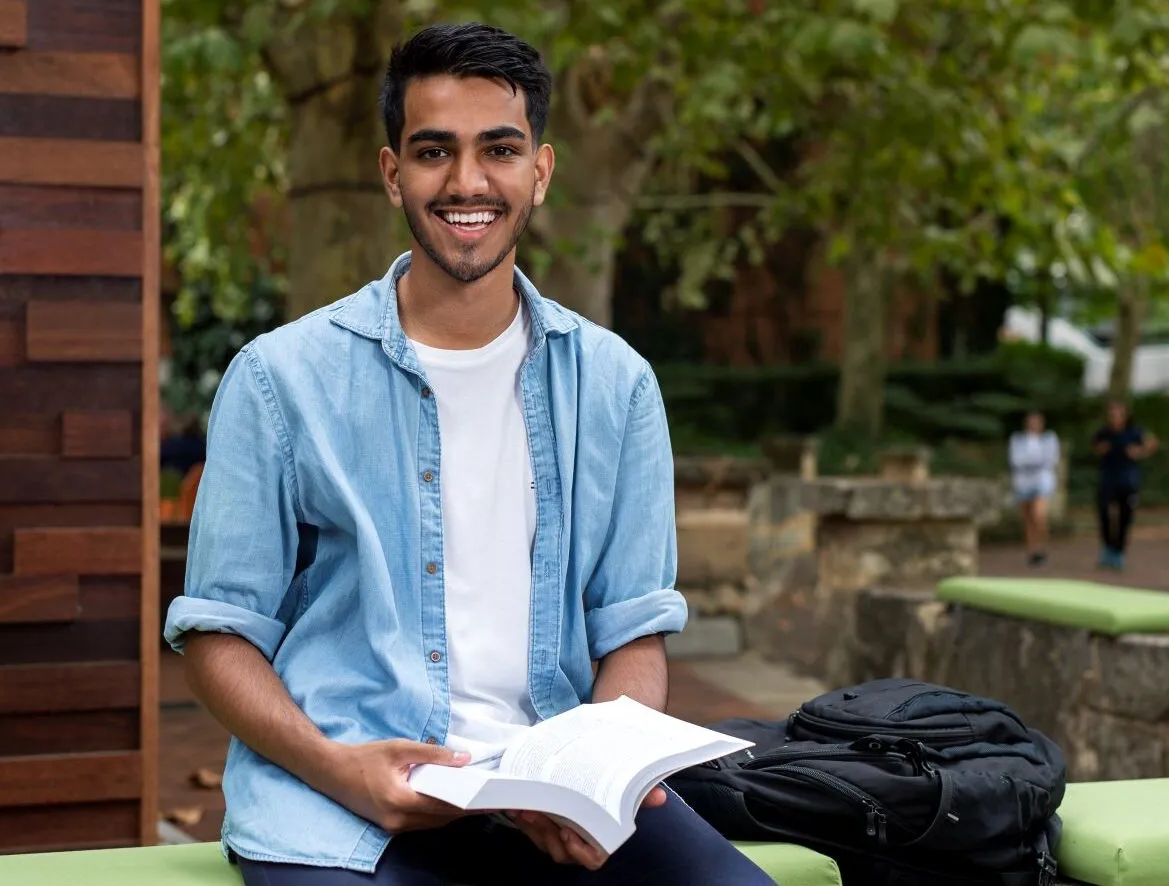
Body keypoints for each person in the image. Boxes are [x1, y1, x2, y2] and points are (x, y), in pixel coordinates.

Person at [162, 22, 778, 886]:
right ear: (392, 173)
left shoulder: (616, 384)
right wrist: (340, 770)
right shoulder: (279, 379)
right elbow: (217, 634)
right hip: (340, 800)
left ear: (540, 171)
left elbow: (633, 634)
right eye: (433, 152)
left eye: (499, 149)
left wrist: (592, 780)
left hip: (549, 792)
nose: (467, 182)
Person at [1091, 400, 1158, 570]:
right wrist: (1101, 449)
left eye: (1119, 415)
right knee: (1104, 513)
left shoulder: (1134, 432)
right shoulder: (1104, 432)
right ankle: (1108, 548)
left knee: (1125, 516)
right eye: (1112, 415)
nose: (1116, 418)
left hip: (1127, 480)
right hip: (1108, 479)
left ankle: (1118, 551)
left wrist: (1140, 452)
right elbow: (1094, 447)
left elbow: (1152, 443)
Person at [1008, 410, 1060, 566]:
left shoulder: (1049, 439)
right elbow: (1015, 460)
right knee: (1028, 518)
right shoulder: (1018, 440)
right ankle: (1031, 550)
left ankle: (1042, 547)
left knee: (1039, 515)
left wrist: (1030, 461)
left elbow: (1050, 459)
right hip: (1023, 482)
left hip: (1041, 480)